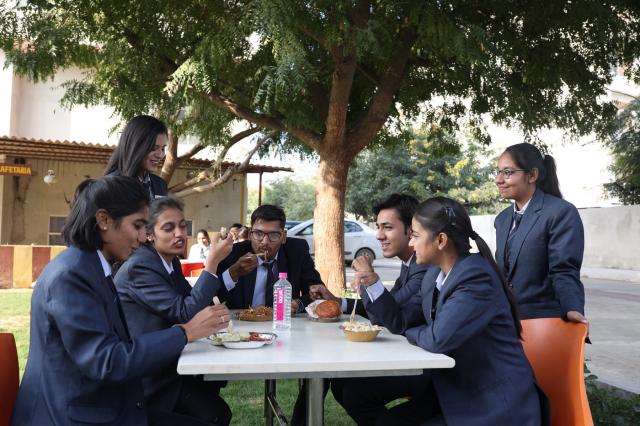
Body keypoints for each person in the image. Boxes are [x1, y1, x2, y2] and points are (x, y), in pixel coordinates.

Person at [10, 176, 230, 426]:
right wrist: (185, 332)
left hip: (104, 404)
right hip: (72, 415)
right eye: (137, 225)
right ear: (104, 220)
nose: (142, 237)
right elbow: (106, 361)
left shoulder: (91, 266)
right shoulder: (71, 275)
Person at [372, 197, 547, 426]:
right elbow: (404, 320)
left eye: (415, 235)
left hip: (495, 406)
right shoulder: (434, 274)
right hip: (455, 391)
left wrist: (413, 332)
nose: (411, 243)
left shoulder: (476, 278)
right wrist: (413, 328)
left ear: (441, 240)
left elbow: (437, 339)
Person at [306, 194, 432, 426]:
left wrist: (371, 281)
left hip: (429, 366)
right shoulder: (409, 264)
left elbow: (394, 319)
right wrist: (337, 301)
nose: (379, 235)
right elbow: (387, 306)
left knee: (353, 392)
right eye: (378, 227)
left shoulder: (423, 266)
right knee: (341, 385)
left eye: (388, 227)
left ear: (411, 230)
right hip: (404, 353)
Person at [114, 197, 234, 426]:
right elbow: (185, 312)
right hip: (148, 376)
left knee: (216, 403)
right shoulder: (140, 266)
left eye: (182, 226)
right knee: (215, 414)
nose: (179, 234)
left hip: (173, 361)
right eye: (168, 228)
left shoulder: (169, 262)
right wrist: (212, 262)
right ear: (149, 234)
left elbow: (193, 302)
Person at [494, 143, 587, 323]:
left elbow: (564, 270)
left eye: (507, 172)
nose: (499, 179)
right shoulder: (502, 219)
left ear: (532, 175)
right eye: (498, 172)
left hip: (545, 323)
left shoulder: (560, 212)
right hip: (507, 322)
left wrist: (572, 307)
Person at [216, 204, 323, 312]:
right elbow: (213, 297)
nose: (265, 242)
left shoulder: (296, 251)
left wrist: (299, 304)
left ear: (283, 237)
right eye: (258, 234)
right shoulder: (233, 253)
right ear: (249, 235)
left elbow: (317, 292)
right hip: (242, 320)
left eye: (274, 235)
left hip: (282, 320)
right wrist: (233, 273)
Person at [105, 115, 169, 200]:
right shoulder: (110, 186)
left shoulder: (160, 185)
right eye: (153, 148)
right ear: (135, 146)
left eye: (163, 149)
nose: (160, 155)